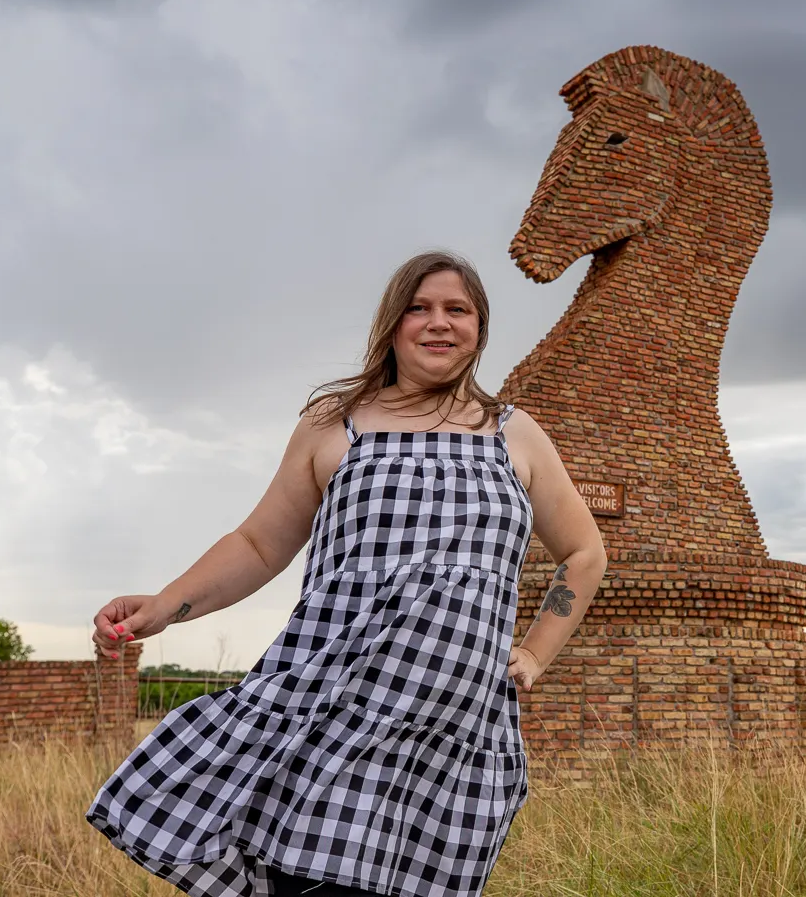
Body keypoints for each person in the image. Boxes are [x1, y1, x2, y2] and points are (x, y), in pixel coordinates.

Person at [85, 250, 607, 897]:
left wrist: (533, 650)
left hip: (451, 728)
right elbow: (257, 543)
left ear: (480, 327)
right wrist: (167, 604)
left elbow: (584, 552)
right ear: (392, 325)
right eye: (418, 307)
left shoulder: (515, 435)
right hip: (335, 705)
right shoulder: (336, 422)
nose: (437, 322)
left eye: (457, 309)